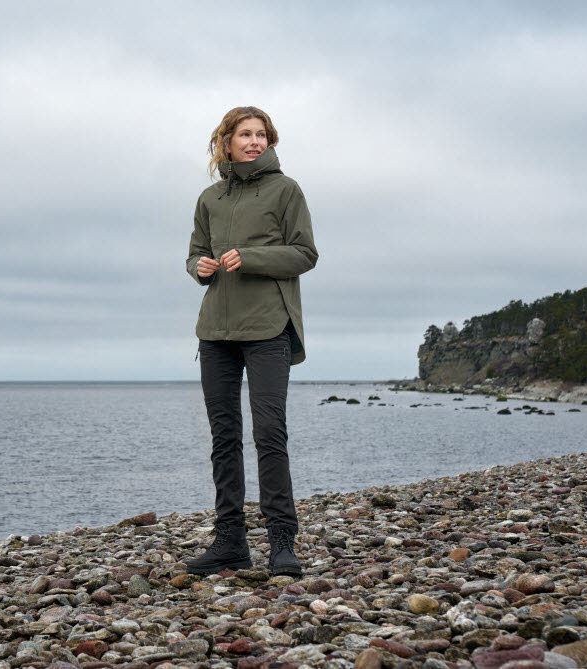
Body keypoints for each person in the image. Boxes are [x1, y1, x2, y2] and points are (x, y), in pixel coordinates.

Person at [185, 106, 318, 577]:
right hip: (215, 332)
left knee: (269, 435)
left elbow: (305, 254)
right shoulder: (210, 197)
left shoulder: (286, 190)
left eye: (262, 134)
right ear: (227, 142)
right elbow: (195, 254)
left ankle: (282, 542)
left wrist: (253, 257)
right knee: (224, 439)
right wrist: (200, 268)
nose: (255, 141)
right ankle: (230, 542)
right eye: (245, 134)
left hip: (268, 328)